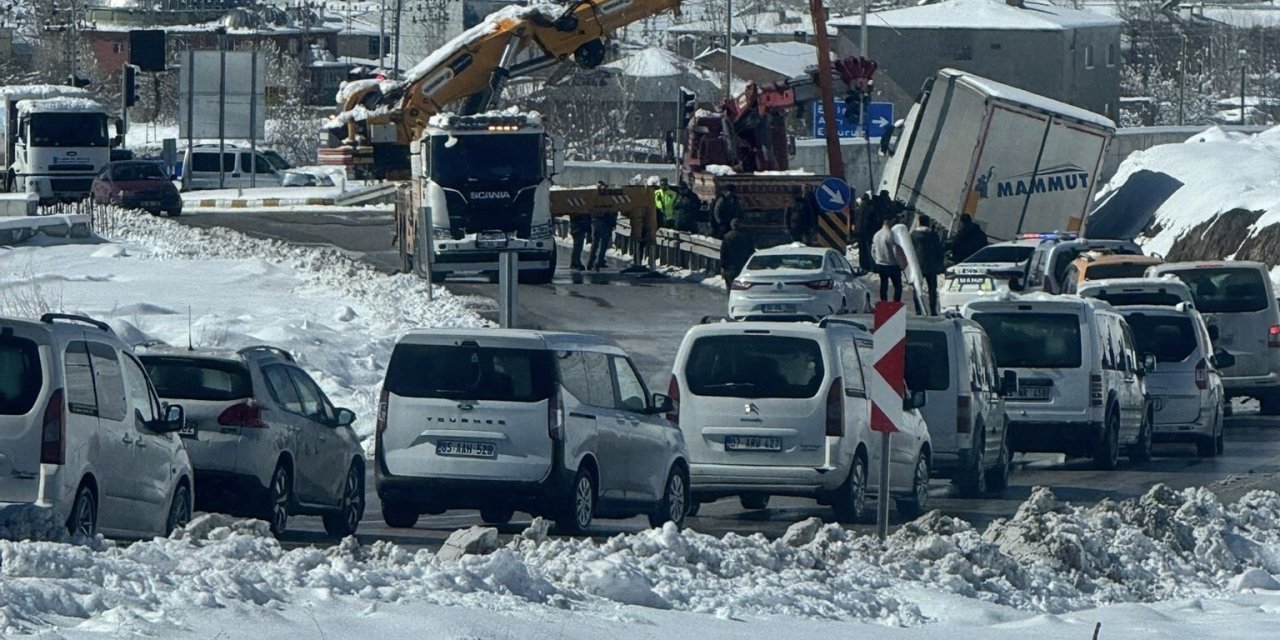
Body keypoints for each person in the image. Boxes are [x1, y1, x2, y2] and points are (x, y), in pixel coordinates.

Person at [910, 213, 946, 315]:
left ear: (919, 222)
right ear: (928, 223)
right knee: (932, 290)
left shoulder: (913, 235)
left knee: (917, 288)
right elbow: (939, 250)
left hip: (918, 266)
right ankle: (933, 310)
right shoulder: (933, 235)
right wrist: (940, 263)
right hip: (931, 266)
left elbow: (910, 250)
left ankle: (918, 310)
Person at [872, 216, 902, 303]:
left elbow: (873, 250)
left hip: (881, 264)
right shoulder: (891, 234)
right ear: (890, 222)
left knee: (884, 285)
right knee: (897, 286)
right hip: (892, 264)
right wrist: (900, 262)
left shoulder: (876, 234)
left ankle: (883, 302)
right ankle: (896, 303)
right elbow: (895, 250)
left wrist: (877, 260)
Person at [719, 218, 755, 290]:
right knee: (742, 288)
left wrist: (723, 266)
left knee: (730, 288)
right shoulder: (746, 236)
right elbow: (751, 251)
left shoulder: (727, 237)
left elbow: (723, 253)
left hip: (730, 267)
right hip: (743, 266)